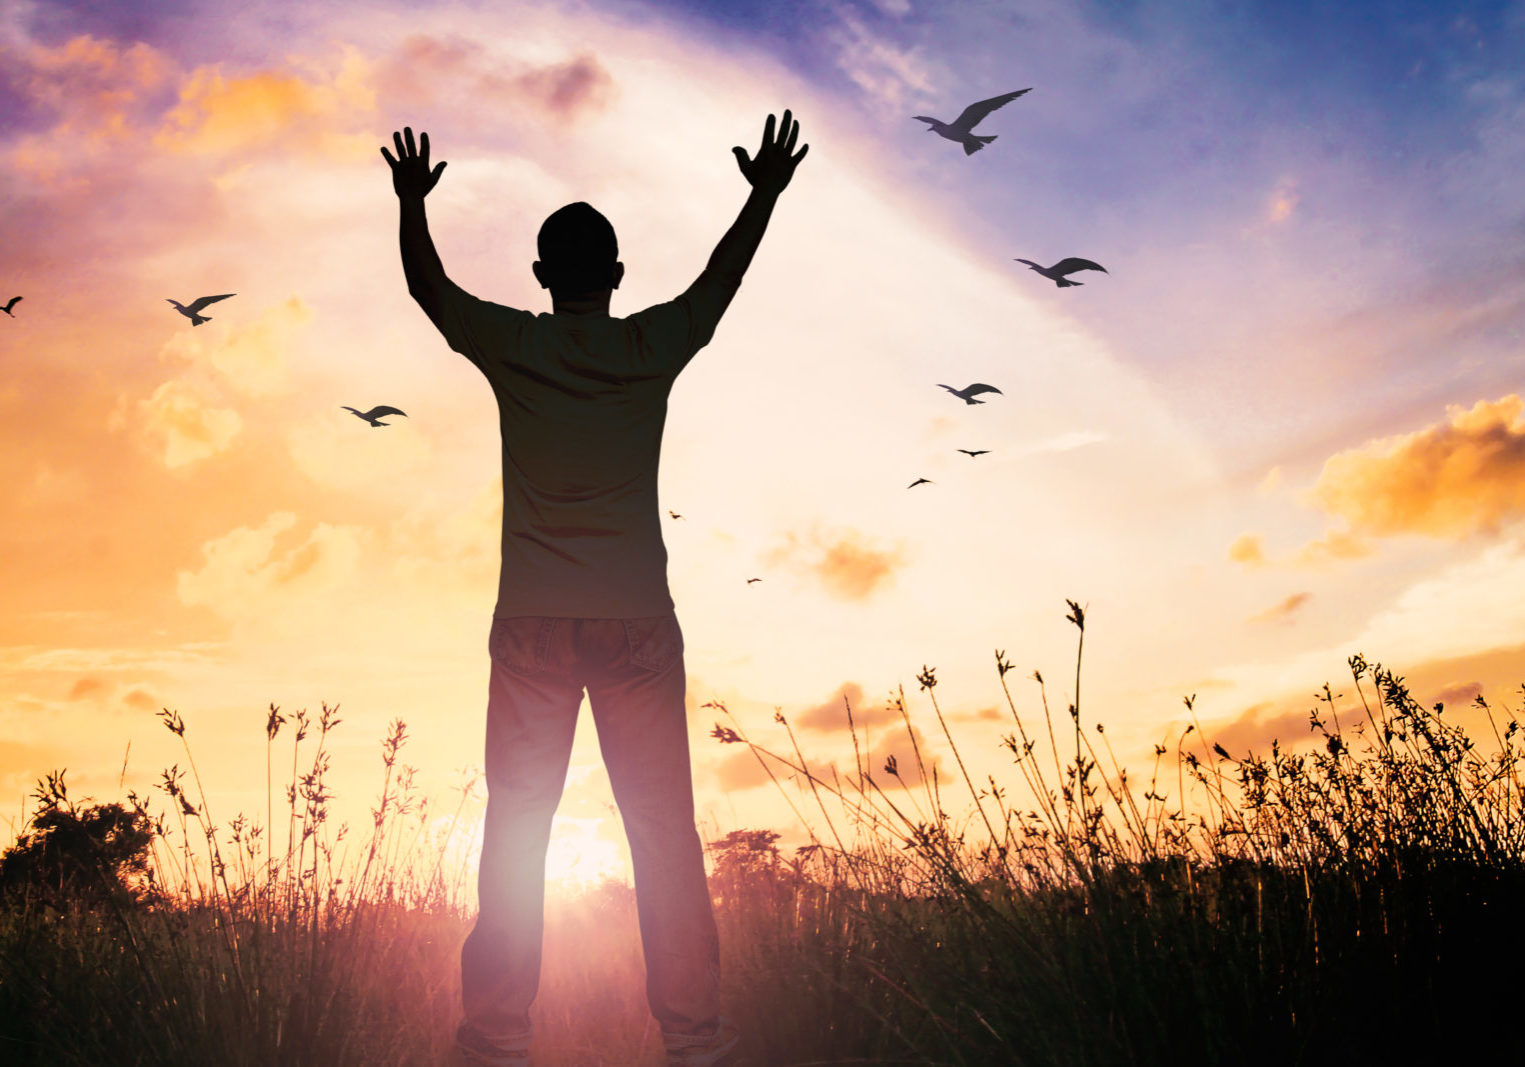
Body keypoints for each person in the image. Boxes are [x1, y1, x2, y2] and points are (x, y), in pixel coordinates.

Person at [380, 112, 809, 1067]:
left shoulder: (517, 346)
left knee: (517, 832)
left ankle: (496, 1039)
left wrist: (412, 203)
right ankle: (693, 1038)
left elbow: (427, 286)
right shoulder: (649, 347)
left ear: (542, 277)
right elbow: (719, 282)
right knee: (662, 837)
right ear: (615, 277)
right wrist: (762, 193)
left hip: (531, 622)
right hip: (635, 628)